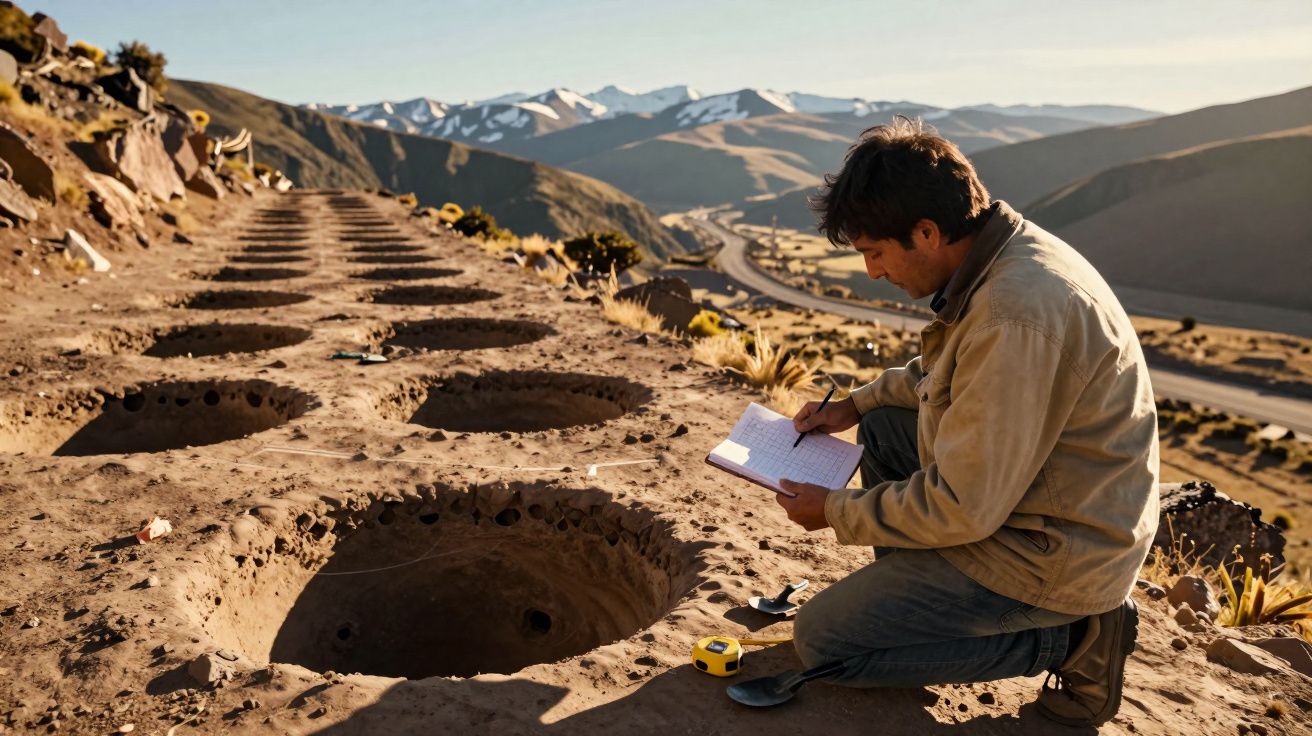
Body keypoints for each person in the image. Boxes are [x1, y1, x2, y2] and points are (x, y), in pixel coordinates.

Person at [774, 117, 1159, 727]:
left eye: (875, 252)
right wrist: (857, 402)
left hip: (1053, 549)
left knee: (823, 644)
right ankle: (920, 593)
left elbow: (964, 505)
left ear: (925, 232)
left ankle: (1077, 639)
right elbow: (946, 378)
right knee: (884, 423)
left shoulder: (1015, 313)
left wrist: (835, 510)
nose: (873, 270)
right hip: (1042, 500)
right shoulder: (1001, 256)